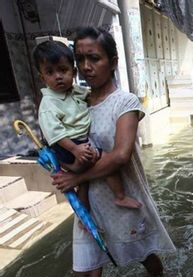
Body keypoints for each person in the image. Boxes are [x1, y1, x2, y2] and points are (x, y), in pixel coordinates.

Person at [51, 27, 175, 277]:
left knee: (145, 257)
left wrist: (76, 179)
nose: (86, 66)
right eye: (80, 59)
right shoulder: (77, 102)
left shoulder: (125, 102)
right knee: (85, 272)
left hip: (121, 198)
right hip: (88, 200)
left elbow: (121, 155)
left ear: (113, 63)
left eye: (94, 58)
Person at [34, 40, 142, 210]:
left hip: (76, 143)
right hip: (67, 145)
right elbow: (55, 134)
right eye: (50, 72)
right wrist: (75, 150)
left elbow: (92, 95)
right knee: (105, 159)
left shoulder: (75, 92)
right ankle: (120, 196)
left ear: (73, 72)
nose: (58, 76)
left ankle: (84, 209)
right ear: (42, 78)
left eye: (63, 70)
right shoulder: (48, 104)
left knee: (83, 180)